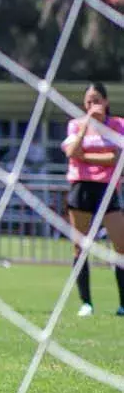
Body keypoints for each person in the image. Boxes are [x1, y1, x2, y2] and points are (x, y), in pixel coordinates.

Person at [61, 82, 124, 317]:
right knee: (80, 247)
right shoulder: (76, 125)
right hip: (81, 188)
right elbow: (72, 152)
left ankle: (122, 304)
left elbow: (117, 158)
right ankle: (86, 303)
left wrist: (87, 158)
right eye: (88, 101)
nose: (92, 104)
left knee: (121, 246)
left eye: (96, 100)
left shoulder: (118, 125)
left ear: (106, 101)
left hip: (108, 189)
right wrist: (87, 123)